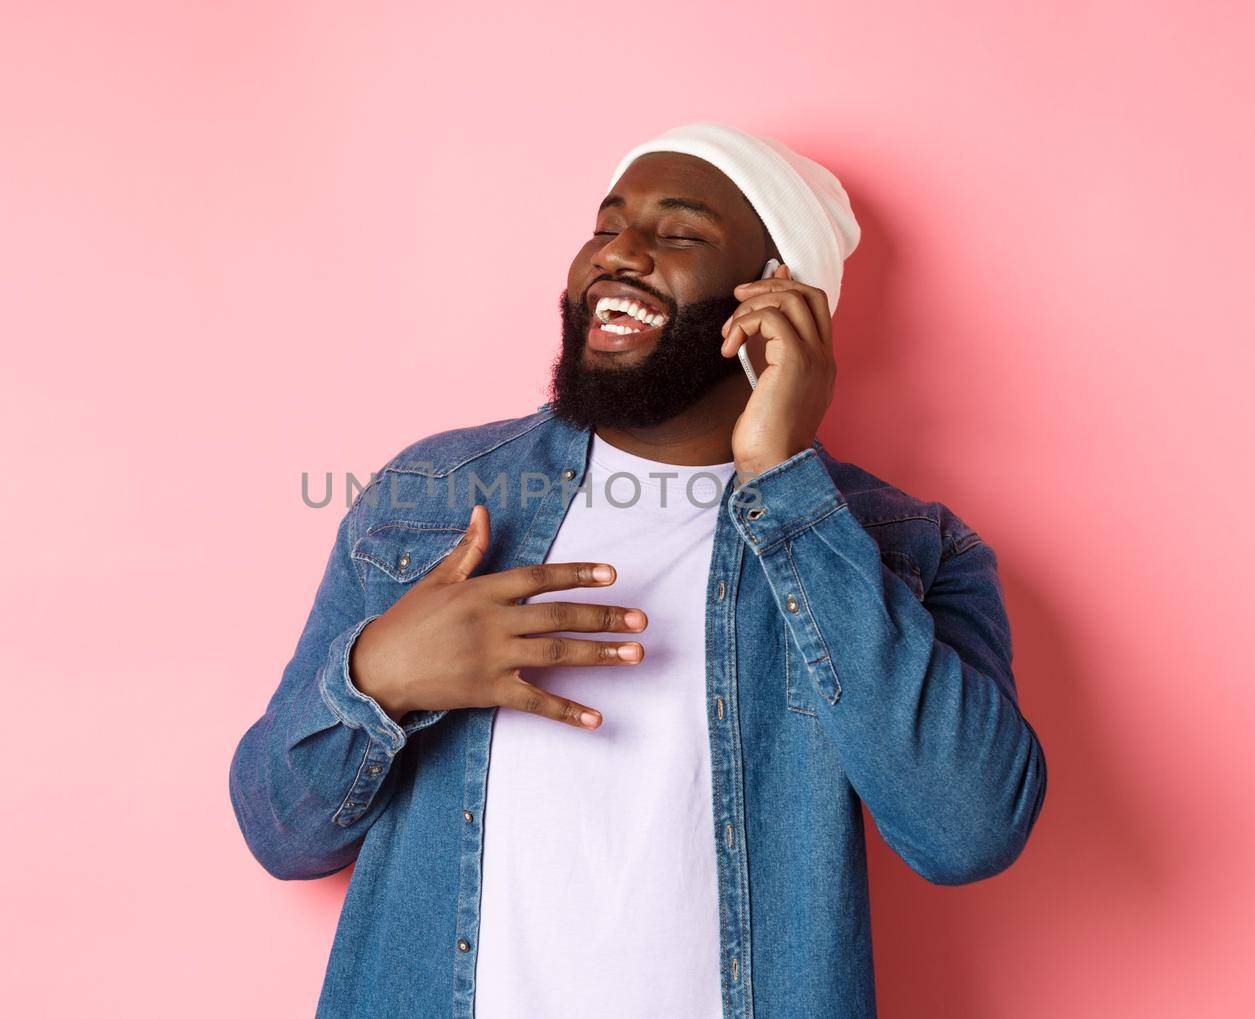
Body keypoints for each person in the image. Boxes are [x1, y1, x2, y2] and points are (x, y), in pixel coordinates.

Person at [229, 122, 1047, 1018]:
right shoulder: (431, 499)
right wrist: (379, 674)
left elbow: (967, 829)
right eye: (606, 224)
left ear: (778, 295)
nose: (618, 252)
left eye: (680, 233)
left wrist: (784, 478)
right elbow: (281, 832)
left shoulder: (907, 549)